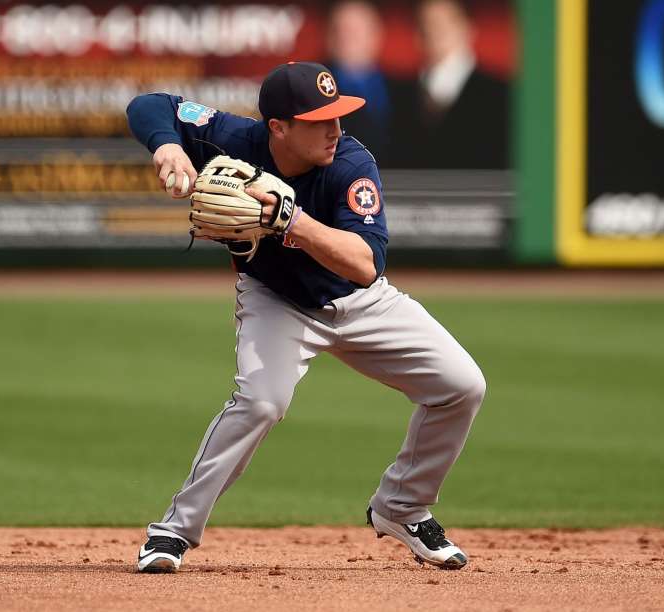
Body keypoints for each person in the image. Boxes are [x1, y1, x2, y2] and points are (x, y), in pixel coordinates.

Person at [125, 61, 485, 573]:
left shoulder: (351, 165)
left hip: (362, 303)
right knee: (261, 402)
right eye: (321, 120)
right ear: (279, 128)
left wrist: (291, 220)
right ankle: (173, 532)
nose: (336, 129)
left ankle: (403, 506)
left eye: (338, 116)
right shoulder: (232, 137)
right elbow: (149, 105)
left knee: (462, 385)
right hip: (277, 300)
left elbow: (365, 265)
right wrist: (168, 145)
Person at [391, 0, 509, 169]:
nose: (432, 31)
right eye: (425, 23)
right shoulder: (399, 94)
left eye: (443, 24)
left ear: (468, 29)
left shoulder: (501, 94)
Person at [325, 0, 393, 161]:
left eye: (356, 30)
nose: (347, 38)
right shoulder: (310, 89)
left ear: (376, 34)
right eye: (340, 30)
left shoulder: (405, 89)